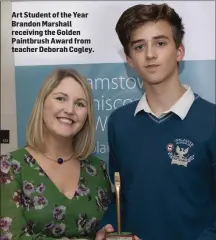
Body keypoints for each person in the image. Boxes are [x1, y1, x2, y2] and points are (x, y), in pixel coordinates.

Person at [96, 3, 216, 240]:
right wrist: (108, 227)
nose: (150, 54)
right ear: (130, 59)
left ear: (179, 51)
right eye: (139, 46)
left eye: (160, 43)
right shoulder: (120, 122)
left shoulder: (211, 120)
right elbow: (120, 198)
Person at [0, 69, 111, 239]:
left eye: (80, 103)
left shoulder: (97, 169)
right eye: (61, 98)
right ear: (42, 103)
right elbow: (11, 237)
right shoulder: (10, 167)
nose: (70, 110)